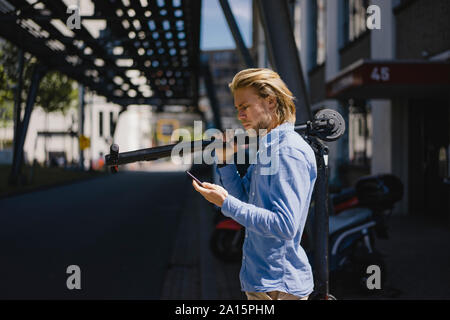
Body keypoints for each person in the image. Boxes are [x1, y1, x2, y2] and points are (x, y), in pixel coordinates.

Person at [192, 68, 317, 300]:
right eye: (237, 108)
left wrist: (225, 202)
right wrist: (225, 161)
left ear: (270, 102)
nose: (240, 115)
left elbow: (284, 226)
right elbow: (242, 200)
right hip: (264, 284)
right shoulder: (268, 149)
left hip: (279, 289)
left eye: (244, 107)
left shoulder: (287, 151)